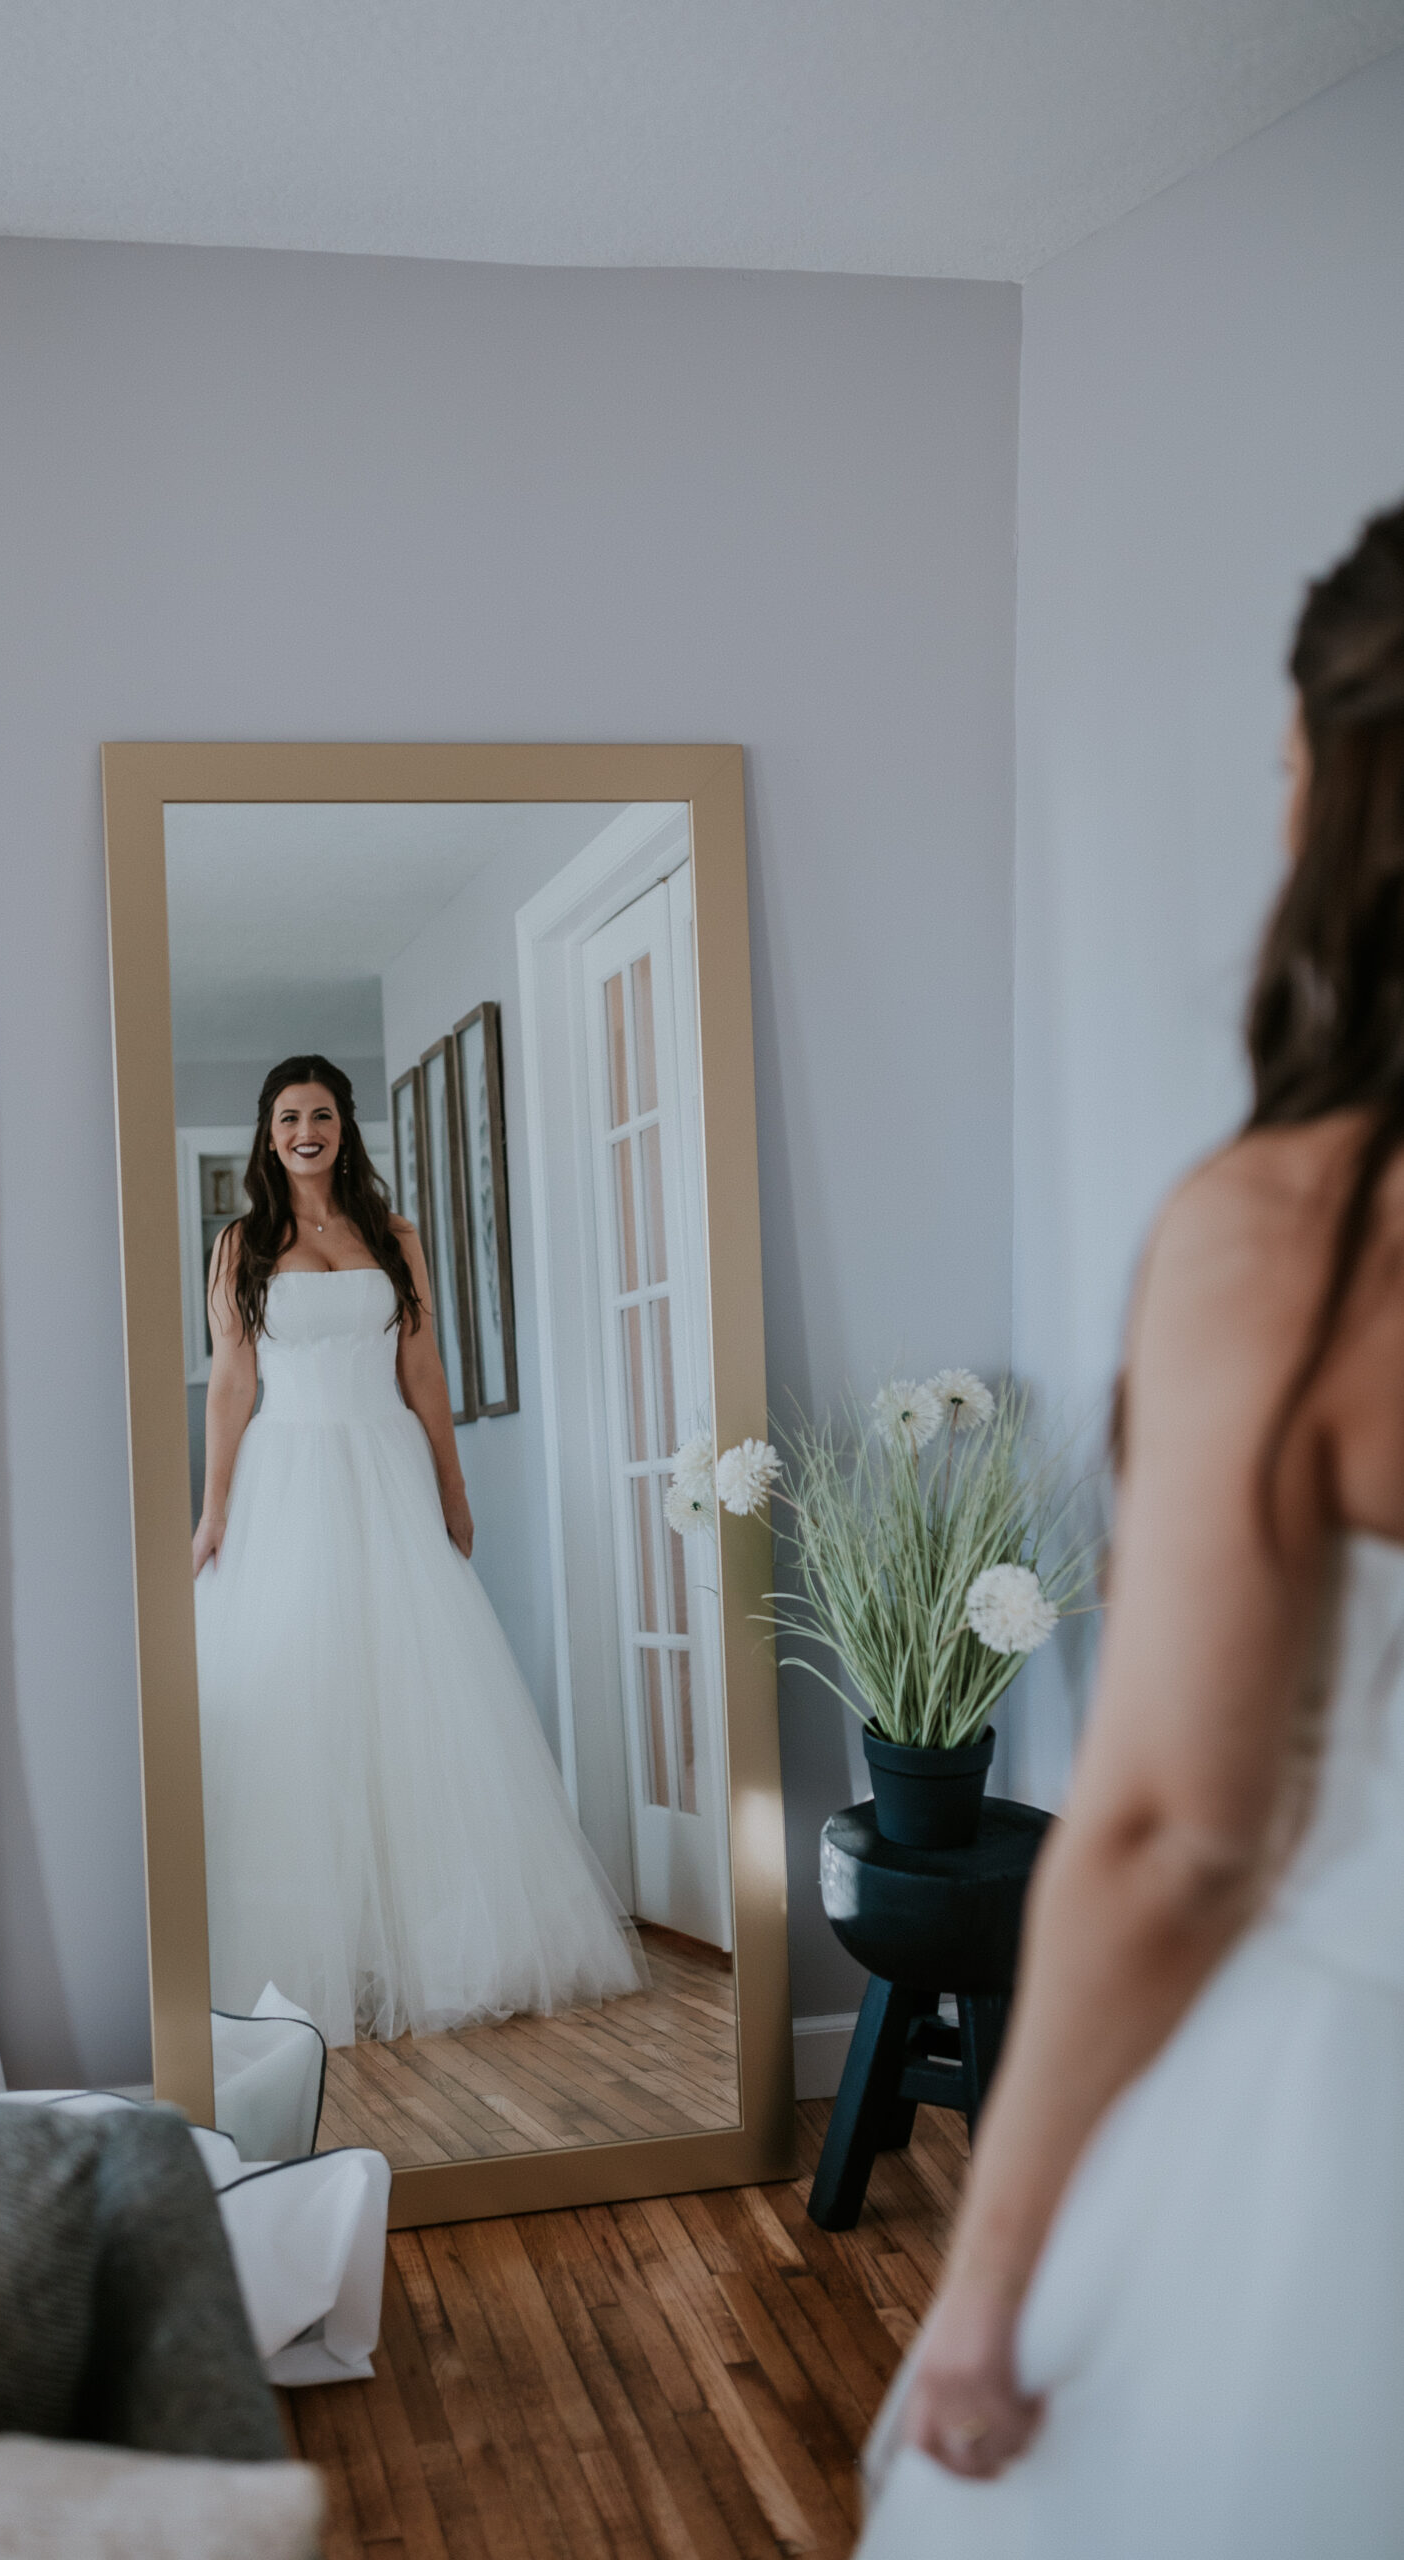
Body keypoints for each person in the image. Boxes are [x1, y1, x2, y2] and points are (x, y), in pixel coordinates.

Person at [860, 499, 1404, 2556]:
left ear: (1347, 800)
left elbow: (1176, 1829)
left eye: (1286, 774)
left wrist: (980, 2293)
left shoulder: (1292, 1236)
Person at [191, 1052, 648, 2047]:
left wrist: (454, 1484)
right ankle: (319, 1951)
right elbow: (230, 1384)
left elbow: (425, 1367)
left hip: (388, 1470)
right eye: (287, 1118)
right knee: (306, 1701)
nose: (305, 1130)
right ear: (267, 1138)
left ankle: (434, 1945)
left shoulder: (394, 1237)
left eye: (320, 1113)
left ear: (344, 1126)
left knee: (412, 1695)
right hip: (288, 1477)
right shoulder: (241, 1244)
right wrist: (214, 1507)